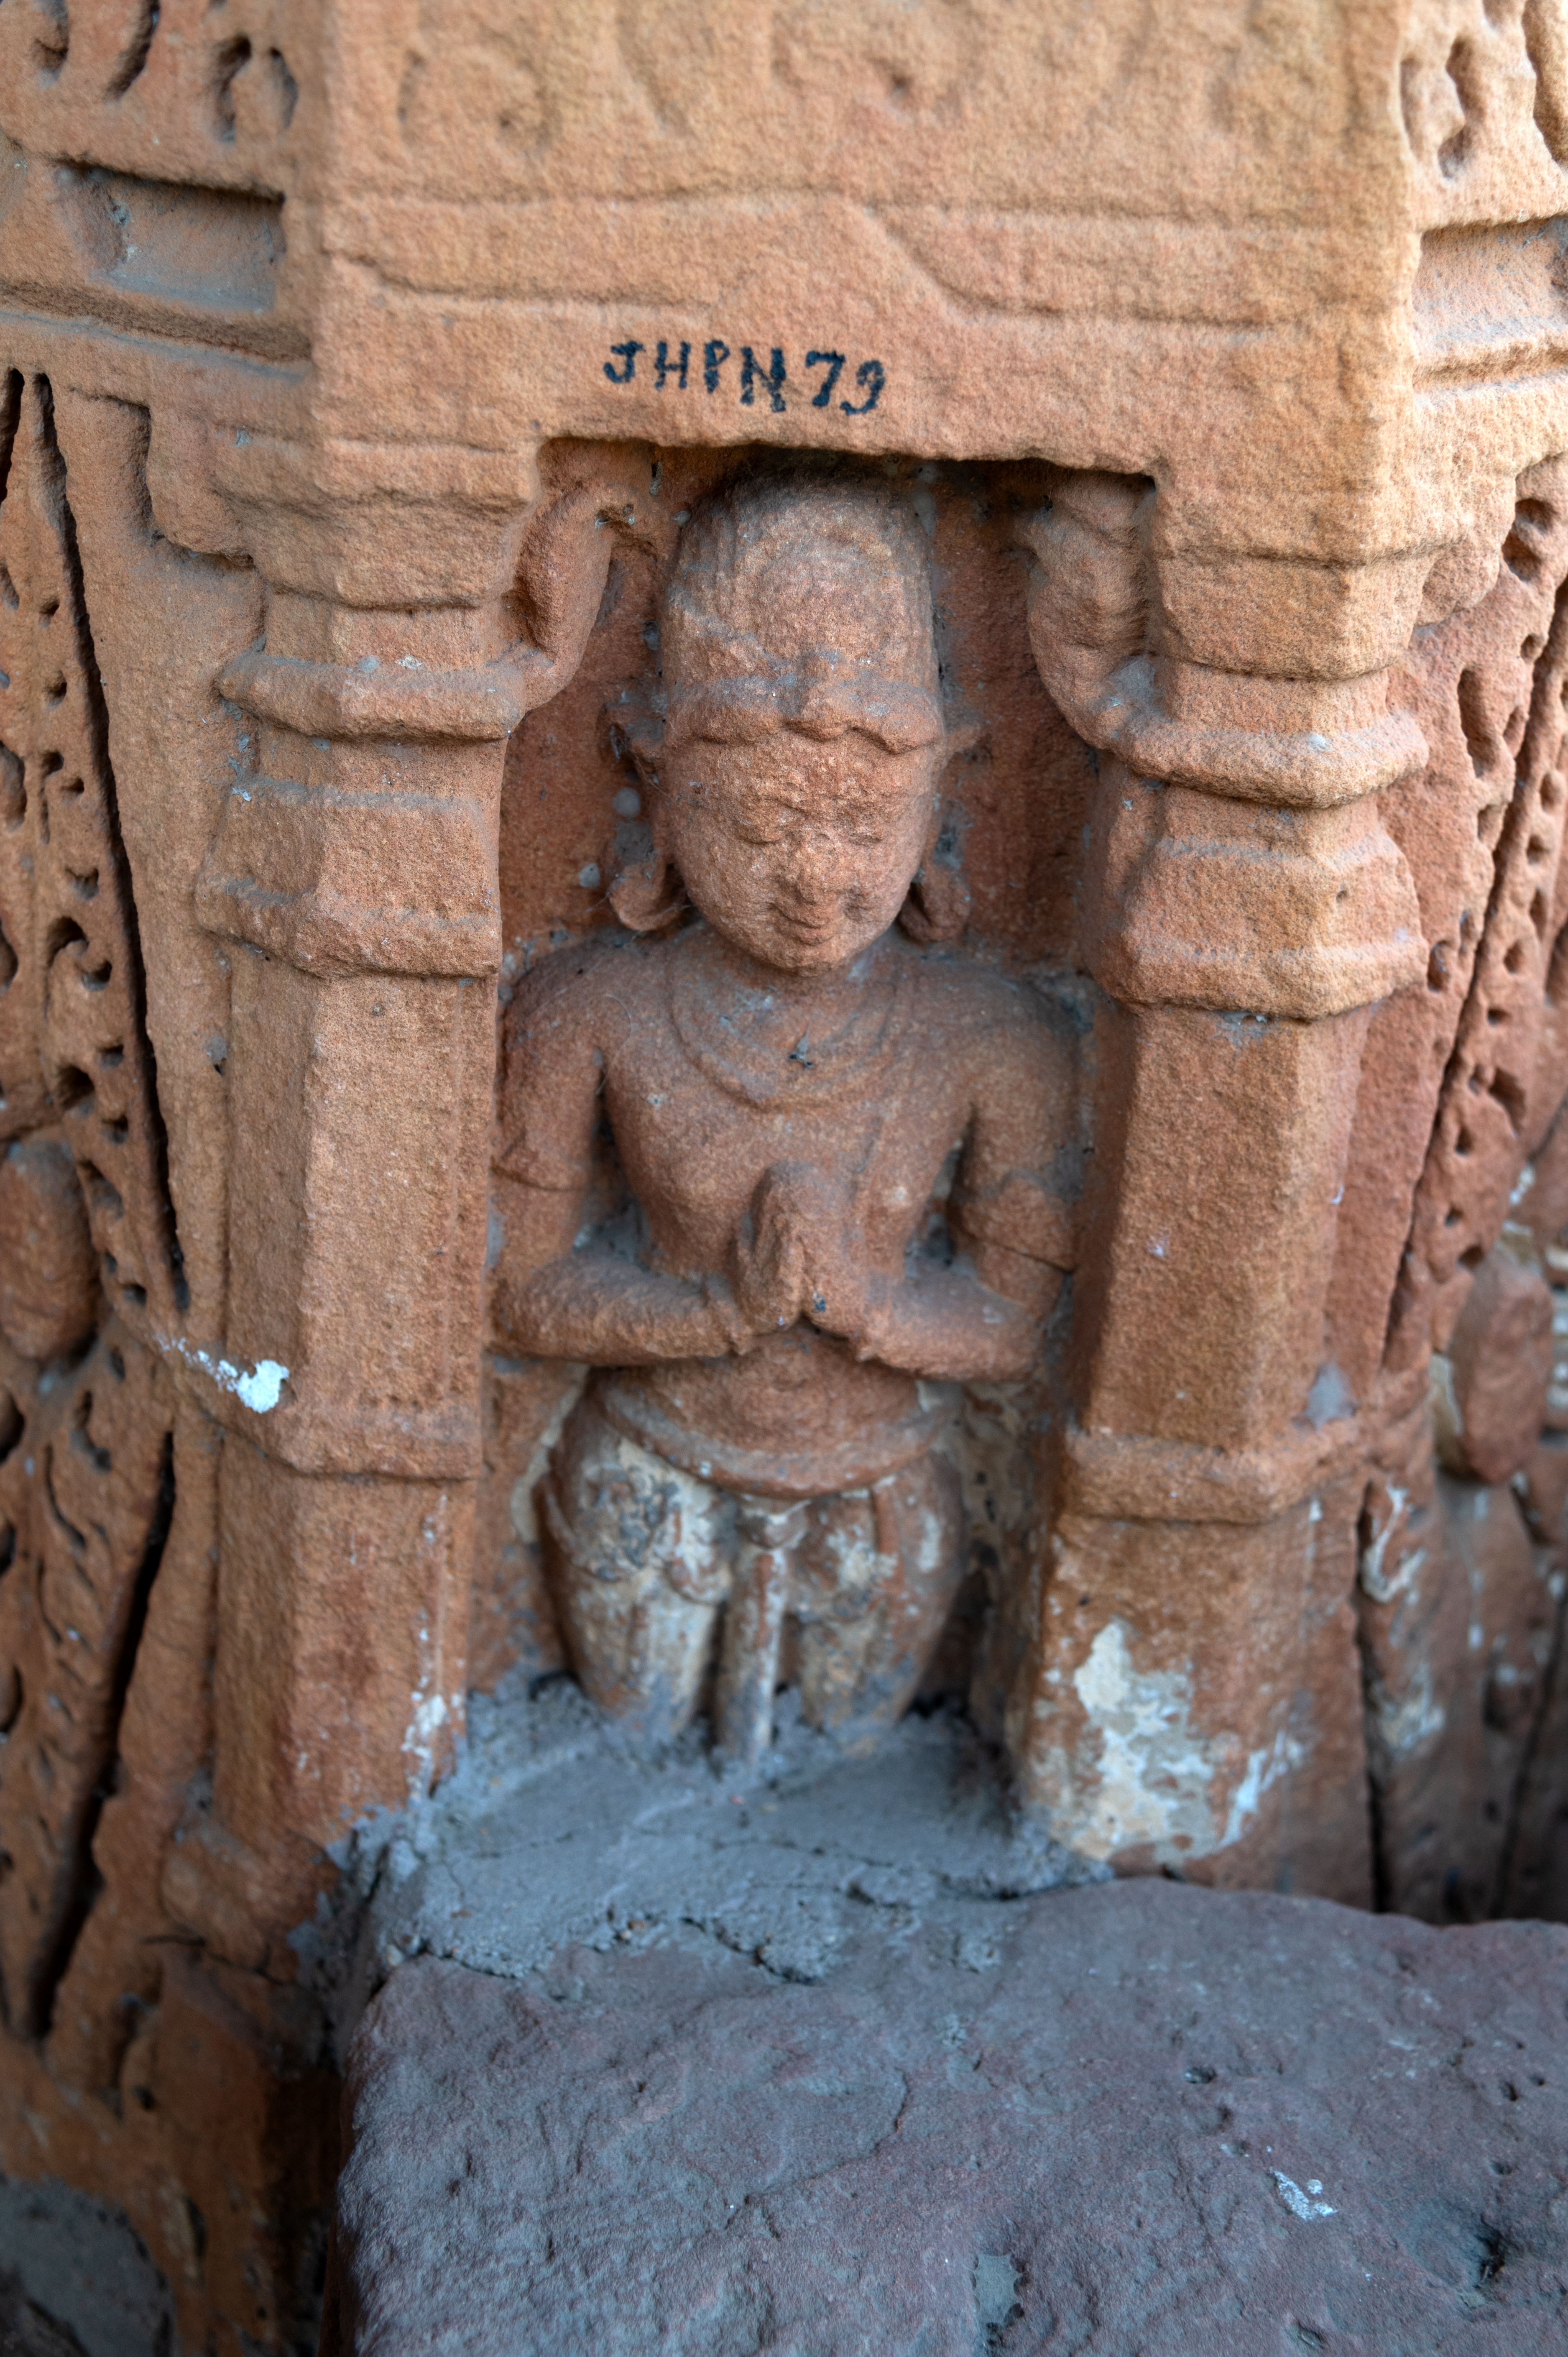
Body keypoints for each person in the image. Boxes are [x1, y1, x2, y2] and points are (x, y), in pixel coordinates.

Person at [492, 472, 1076, 1764]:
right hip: (649, 1474)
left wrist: (865, 1305)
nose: (814, 878)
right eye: (757, 823)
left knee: (859, 1752)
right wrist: (714, 1314)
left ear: (939, 809)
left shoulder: (992, 1039)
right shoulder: (589, 1009)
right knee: (618, 1746)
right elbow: (519, 1292)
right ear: (658, 791)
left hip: (878, 1498)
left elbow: (1017, 1320)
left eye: (865, 824)